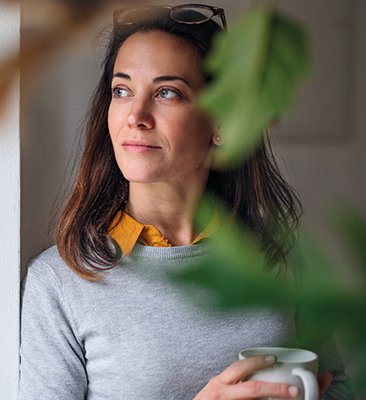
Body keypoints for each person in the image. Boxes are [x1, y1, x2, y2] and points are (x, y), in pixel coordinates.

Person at [19, 4, 352, 399]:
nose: (136, 116)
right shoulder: (59, 281)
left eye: (167, 92)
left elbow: (337, 387)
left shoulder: (282, 259)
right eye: (121, 90)